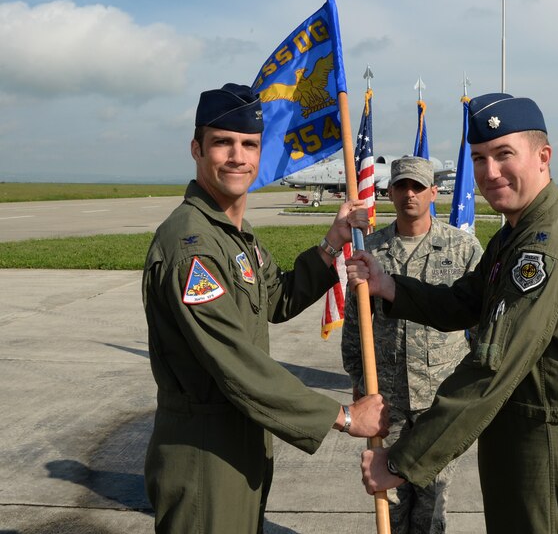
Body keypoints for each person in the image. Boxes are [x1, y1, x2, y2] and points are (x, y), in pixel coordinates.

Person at [348, 93, 558, 533]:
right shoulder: (515, 235)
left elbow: (490, 370)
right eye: (479, 158)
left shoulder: (542, 253)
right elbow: (464, 302)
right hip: (519, 445)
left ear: (543, 157)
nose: (489, 172)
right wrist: (389, 286)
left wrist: (400, 461)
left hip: (546, 456)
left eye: (503, 154)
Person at [142, 83, 389, 534]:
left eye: (249, 145)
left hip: (244, 438)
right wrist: (344, 417)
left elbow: (276, 299)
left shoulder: (236, 236)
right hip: (204, 451)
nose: (238, 156)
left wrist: (332, 243)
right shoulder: (190, 247)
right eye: (223, 143)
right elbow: (236, 362)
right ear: (197, 149)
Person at [341, 156, 482, 533]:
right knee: (391, 502)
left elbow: (481, 324)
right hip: (388, 398)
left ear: (434, 192)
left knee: (432, 501)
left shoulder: (462, 248)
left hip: (441, 398)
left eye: (418, 187)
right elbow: (355, 321)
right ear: (389, 192)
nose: (409, 194)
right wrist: (358, 378)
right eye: (401, 186)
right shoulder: (370, 250)